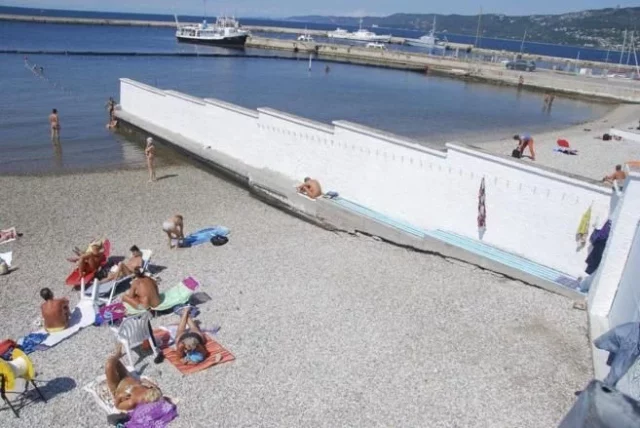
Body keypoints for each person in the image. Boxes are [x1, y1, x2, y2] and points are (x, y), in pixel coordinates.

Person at [105, 343, 163, 411]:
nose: (148, 387)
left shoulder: (132, 402)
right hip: (126, 377)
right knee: (114, 361)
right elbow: (157, 390)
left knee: (109, 364)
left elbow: (117, 406)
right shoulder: (152, 392)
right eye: (148, 389)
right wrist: (148, 382)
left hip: (117, 386)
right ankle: (117, 355)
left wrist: (120, 396)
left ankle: (118, 354)